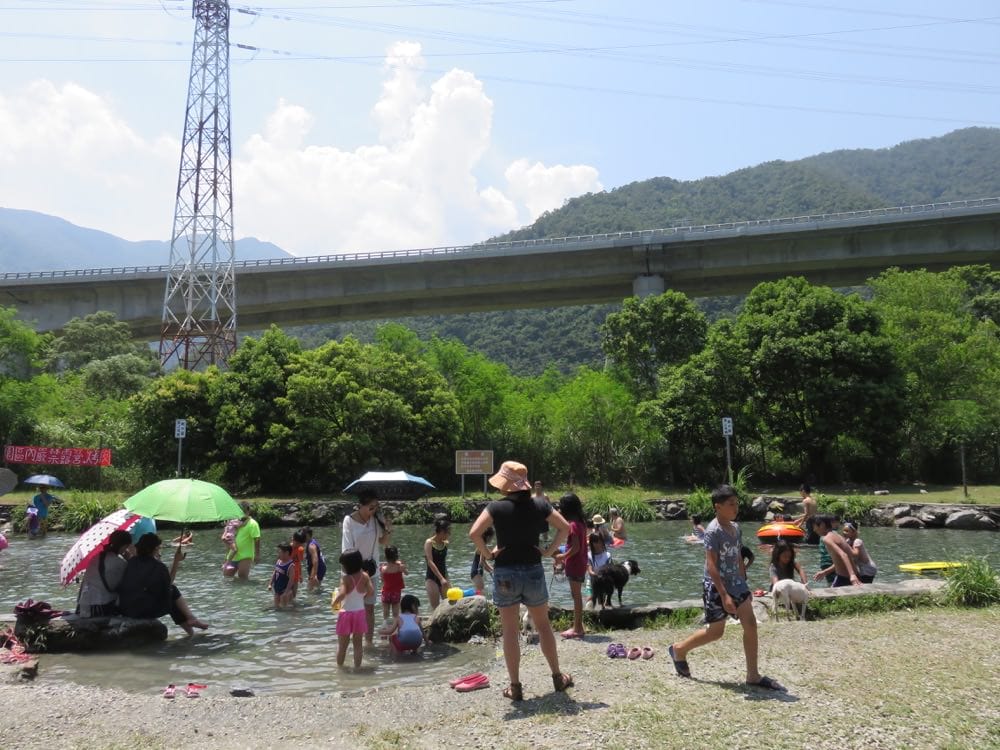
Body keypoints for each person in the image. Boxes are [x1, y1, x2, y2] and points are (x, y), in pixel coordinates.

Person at [469, 459, 574, 702]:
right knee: (544, 625)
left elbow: (474, 533)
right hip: (533, 570)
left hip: (505, 572)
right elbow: (565, 528)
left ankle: (515, 687)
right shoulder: (539, 504)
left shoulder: (496, 507)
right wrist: (548, 552)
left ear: (506, 484)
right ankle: (558, 678)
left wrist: (487, 554)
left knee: (509, 631)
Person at [668, 485, 785, 691]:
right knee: (715, 633)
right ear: (718, 507)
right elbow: (711, 565)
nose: (735, 508)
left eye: (737, 503)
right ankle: (679, 650)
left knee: (750, 625)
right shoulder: (713, 531)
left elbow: (738, 555)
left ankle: (753, 675)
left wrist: (743, 580)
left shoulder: (736, 528)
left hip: (737, 583)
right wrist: (724, 595)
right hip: (716, 586)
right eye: (731, 504)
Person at [117, 533, 209, 636]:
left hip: (127, 608)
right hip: (141, 611)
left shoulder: (131, 562)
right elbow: (169, 583)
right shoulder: (158, 566)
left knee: (170, 595)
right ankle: (191, 623)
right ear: (155, 549)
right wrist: (176, 561)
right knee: (172, 592)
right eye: (158, 548)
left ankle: (191, 629)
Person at [341, 490, 392, 646]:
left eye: (376, 507)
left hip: (372, 570)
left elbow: (383, 542)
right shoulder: (349, 521)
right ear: (360, 506)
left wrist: (388, 529)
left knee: (369, 608)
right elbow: (347, 549)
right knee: (351, 610)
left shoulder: (375, 520)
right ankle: (348, 643)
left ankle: (368, 643)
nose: (374, 510)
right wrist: (359, 572)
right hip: (352, 570)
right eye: (371, 507)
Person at [331, 549, 374, 668]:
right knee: (358, 645)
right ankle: (357, 668)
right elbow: (371, 592)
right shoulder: (365, 576)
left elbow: (343, 594)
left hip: (346, 614)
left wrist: (334, 603)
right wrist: (362, 595)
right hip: (360, 613)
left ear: (347, 566)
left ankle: (339, 669)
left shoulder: (345, 579)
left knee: (342, 646)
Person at [77, 529, 132, 617]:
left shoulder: (95, 557)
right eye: (127, 547)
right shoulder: (120, 563)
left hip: (83, 605)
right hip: (100, 606)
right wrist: (129, 560)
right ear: (123, 546)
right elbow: (125, 584)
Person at [555, 492, 588, 639]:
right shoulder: (581, 523)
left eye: (561, 508)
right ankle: (578, 626)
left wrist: (562, 556)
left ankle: (577, 628)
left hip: (575, 564)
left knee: (576, 597)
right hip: (580, 563)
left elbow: (575, 548)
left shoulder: (573, 525)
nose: (560, 511)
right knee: (577, 596)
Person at [811, 514, 861, 587]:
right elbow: (842, 560)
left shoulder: (827, 538)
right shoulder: (838, 536)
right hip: (852, 575)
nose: (814, 530)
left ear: (821, 525)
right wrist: (825, 572)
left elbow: (844, 555)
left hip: (845, 578)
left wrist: (852, 575)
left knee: (829, 597)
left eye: (814, 526)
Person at [225, 502, 260, 580]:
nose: (241, 513)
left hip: (245, 556)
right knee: (226, 577)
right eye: (240, 511)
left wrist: (257, 555)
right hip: (233, 555)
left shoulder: (253, 524)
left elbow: (257, 539)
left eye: (243, 511)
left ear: (248, 511)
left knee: (242, 579)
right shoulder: (234, 522)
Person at [423, 517, 451, 609]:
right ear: (442, 531)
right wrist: (441, 578)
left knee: (449, 604)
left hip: (443, 576)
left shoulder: (446, 543)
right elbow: (430, 562)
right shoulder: (429, 542)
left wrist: (446, 578)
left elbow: (444, 563)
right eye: (448, 532)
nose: (449, 534)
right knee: (436, 607)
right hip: (432, 578)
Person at [380, 545, 407, 619]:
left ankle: (385, 624)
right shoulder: (399, 567)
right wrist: (401, 564)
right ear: (396, 556)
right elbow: (407, 573)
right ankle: (395, 627)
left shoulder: (383, 568)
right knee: (395, 612)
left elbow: (382, 580)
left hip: (386, 591)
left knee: (385, 611)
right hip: (396, 592)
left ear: (386, 557)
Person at [269, 543, 295, 608]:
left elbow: (291, 580)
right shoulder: (278, 561)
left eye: (279, 552)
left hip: (285, 591)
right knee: (276, 607)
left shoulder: (290, 566)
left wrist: (286, 592)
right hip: (277, 589)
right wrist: (270, 583)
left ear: (286, 553)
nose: (278, 554)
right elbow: (275, 573)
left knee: (284, 609)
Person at [301, 526, 327, 591]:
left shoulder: (311, 546)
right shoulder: (312, 542)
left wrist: (313, 575)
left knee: (310, 589)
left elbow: (315, 561)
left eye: (302, 534)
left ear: (307, 535)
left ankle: (314, 600)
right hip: (319, 567)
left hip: (317, 568)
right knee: (316, 588)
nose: (301, 536)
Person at [470, 527, 494, 593]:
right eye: (492, 538)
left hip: (476, 572)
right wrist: (491, 571)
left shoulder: (482, 546)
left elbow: (484, 561)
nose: (492, 539)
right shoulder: (483, 547)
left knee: (480, 591)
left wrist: (492, 569)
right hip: (476, 572)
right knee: (480, 592)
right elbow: (481, 562)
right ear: (488, 537)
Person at [290, 530, 307, 600]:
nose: (298, 545)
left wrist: (300, 575)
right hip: (287, 574)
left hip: (296, 574)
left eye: (300, 544)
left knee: (294, 595)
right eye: (297, 543)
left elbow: (299, 562)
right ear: (292, 539)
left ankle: (293, 608)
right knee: (287, 592)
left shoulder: (301, 549)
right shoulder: (287, 548)